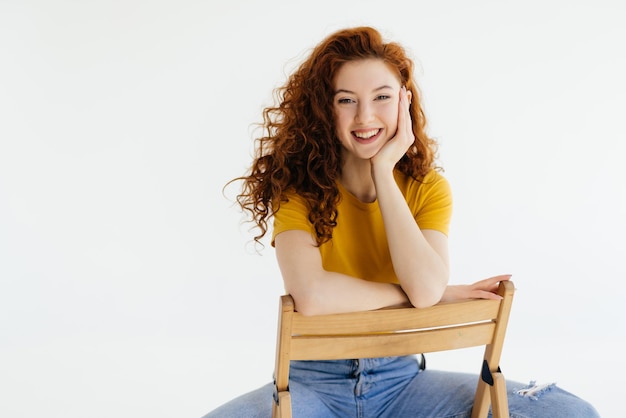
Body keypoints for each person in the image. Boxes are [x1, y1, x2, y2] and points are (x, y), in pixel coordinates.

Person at [205, 26, 599, 417]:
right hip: (312, 386)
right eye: (346, 100)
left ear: (404, 101)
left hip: (403, 382)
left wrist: (383, 170)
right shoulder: (298, 192)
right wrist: (420, 293)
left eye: (382, 97)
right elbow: (311, 296)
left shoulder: (427, 188)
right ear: (325, 108)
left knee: (567, 411)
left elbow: (425, 288)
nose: (365, 116)